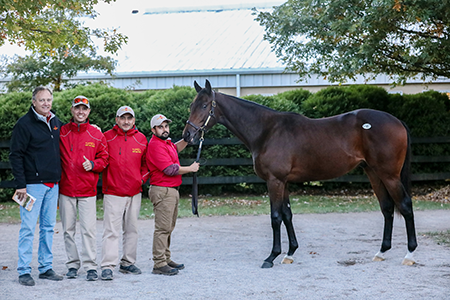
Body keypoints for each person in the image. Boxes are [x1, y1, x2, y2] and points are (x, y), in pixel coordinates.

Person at [9, 86, 64, 286]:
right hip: (31, 187)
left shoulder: (55, 122)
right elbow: (15, 156)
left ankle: (45, 268)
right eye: (42, 100)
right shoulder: (24, 124)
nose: (46, 103)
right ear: (34, 102)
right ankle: (24, 270)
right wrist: (20, 185)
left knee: (48, 228)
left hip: (53, 186)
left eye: (49, 99)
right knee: (28, 228)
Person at [59, 96, 108, 281]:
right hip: (66, 190)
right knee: (67, 230)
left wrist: (94, 165)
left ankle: (90, 266)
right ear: (72, 110)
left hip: (87, 190)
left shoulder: (96, 134)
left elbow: (105, 158)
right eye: (77, 108)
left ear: (89, 112)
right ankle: (72, 265)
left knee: (88, 229)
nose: (81, 112)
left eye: (84, 109)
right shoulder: (61, 132)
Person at [100, 106, 149, 281]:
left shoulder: (142, 139)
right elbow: (100, 159)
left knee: (132, 230)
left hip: (134, 192)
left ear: (134, 120)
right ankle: (107, 266)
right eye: (123, 118)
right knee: (111, 231)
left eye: (129, 118)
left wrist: (140, 180)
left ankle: (128, 262)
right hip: (113, 192)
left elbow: (146, 164)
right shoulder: (106, 137)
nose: (126, 121)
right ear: (117, 119)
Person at [146, 114, 199, 276]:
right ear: (153, 129)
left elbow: (174, 148)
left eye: (166, 126)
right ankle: (159, 263)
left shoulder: (166, 143)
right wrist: (190, 168)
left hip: (172, 190)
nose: (164, 129)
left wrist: (187, 140)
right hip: (162, 190)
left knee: (169, 227)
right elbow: (169, 169)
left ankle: (166, 258)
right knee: (162, 228)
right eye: (160, 127)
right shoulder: (155, 145)